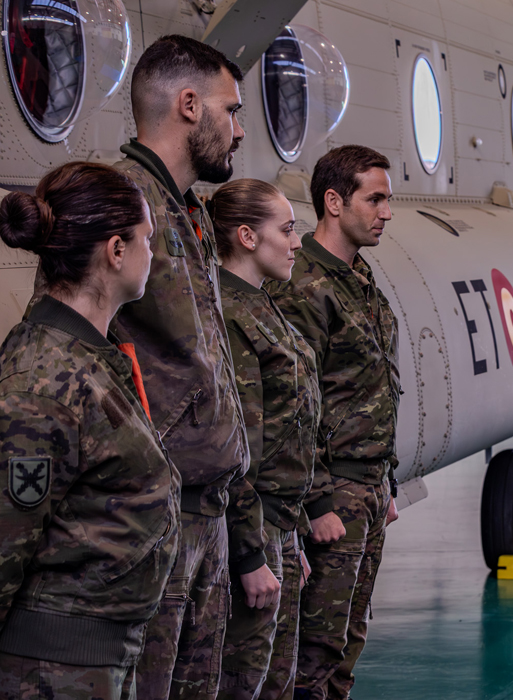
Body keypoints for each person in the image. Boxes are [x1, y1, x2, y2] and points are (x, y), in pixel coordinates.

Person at [0, 162, 178, 699]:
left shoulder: (91, 357)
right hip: (52, 672)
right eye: (147, 239)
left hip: (96, 661)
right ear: (116, 251)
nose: (154, 253)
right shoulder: (41, 381)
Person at [112, 35, 253, 699]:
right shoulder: (121, 208)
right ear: (189, 105)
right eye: (231, 110)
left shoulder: (186, 212)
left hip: (206, 511)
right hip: (153, 520)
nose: (240, 129)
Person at [267, 145, 400, 700]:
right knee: (314, 650)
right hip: (334, 493)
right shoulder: (304, 288)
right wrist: (317, 500)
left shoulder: (358, 277)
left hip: (367, 486)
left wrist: (385, 481)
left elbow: (374, 387)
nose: (386, 212)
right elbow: (295, 403)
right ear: (333, 201)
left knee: (348, 640)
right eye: (375, 198)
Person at [209, 179, 326, 699]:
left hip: (278, 528)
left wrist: (290, 533)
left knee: (276, 683)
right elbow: (237, 454)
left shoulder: (263, 305)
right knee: (244, 684)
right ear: (247, 237)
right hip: (251, 535)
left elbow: (286, 433)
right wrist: (252, 554)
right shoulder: (231, 317)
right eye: (287, 230)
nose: (297, 242)